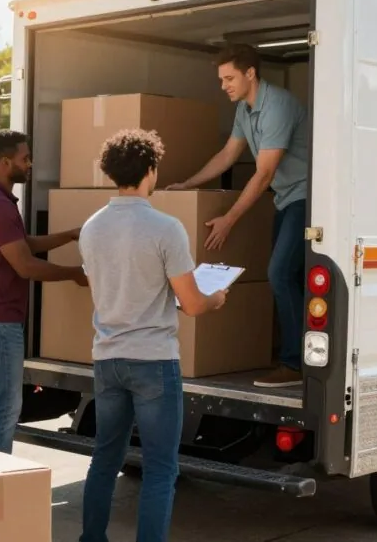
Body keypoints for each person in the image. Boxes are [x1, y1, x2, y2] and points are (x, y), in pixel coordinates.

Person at [79, 128, 228, 542]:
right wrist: (216, 298)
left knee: (105, 460)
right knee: (161, 468)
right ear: (150, 169)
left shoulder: (91, 227)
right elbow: (193, 304)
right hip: (153, 361)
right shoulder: (167, 227)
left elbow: (112, 287)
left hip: (107, 357)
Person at [167, 43, 309, 389]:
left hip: (307, 198)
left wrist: (229, 219)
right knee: (288, 276)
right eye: (221, 79)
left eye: (229, 78)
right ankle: (295, 354)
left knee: (278, 273)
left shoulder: (277, 106)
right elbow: (228, 154)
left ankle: (294, 364)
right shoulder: (245, 111)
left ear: (250, 74)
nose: (223, 85)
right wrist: (188, 183)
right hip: (285, 199)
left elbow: (263, 174)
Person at [0, 129, 87, 454]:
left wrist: (69, 235)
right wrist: (73, 274)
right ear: (5, 163)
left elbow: (24, 243)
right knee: (5, 407)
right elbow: (25, 265)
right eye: (25, 158)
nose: (30, 164)